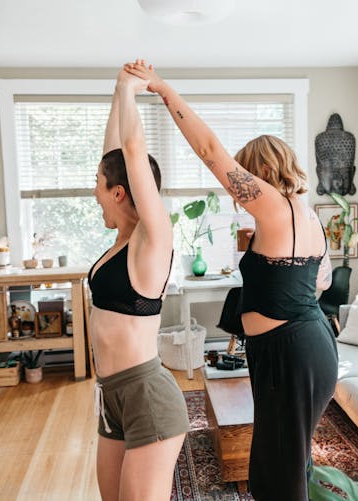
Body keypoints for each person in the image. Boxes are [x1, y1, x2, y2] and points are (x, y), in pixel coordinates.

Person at [126, 60, 338, 501]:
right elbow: (320, 282)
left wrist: (164, 90)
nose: (232, 188)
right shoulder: (308, 215)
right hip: (301, 344)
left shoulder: (276, 207)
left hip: (291, 353)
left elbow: (208, 149)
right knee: (283, 463)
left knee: (279, 475)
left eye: (242, 176)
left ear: (259, 173)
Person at [88, 67, 188, 501]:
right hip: (110, 394)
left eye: (98, 184)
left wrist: (131, 89)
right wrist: (117, 88)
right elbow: (117, 153)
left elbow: (130, 149)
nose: (93, 192)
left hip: (146, 393)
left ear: (118, 193)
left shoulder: (152, 241)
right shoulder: (120, 241)